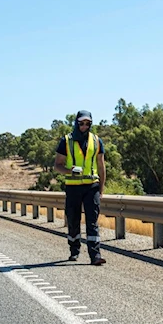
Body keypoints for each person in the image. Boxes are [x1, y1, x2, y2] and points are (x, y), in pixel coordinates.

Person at [54, 110, 107, 266]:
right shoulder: (66, 141)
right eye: (81, 123)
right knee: (73, 220)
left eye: (88, 123)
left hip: (92, 186)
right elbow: (57, 165)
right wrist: (70, 171)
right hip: (73, 187)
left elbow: (101, 166)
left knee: (92, 221)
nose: (84, 126)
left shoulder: (97, 141)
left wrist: (101, 188)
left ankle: (95, 255)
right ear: (76, 123)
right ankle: (74, 250)